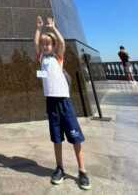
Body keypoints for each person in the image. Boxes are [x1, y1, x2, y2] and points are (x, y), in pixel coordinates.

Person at [35, 15, 91, 190]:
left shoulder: (58, 57)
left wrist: (52, 29)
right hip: (51, 103)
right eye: (43, 44)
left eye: (48, 44)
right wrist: (38, 29)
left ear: (52, 46)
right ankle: (59, 167)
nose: (45, 46)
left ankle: (82, 171)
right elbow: (35, 43)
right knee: (56, 137)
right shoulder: (41, 58)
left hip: (64, 102)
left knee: (75, 137)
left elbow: (62, 43)